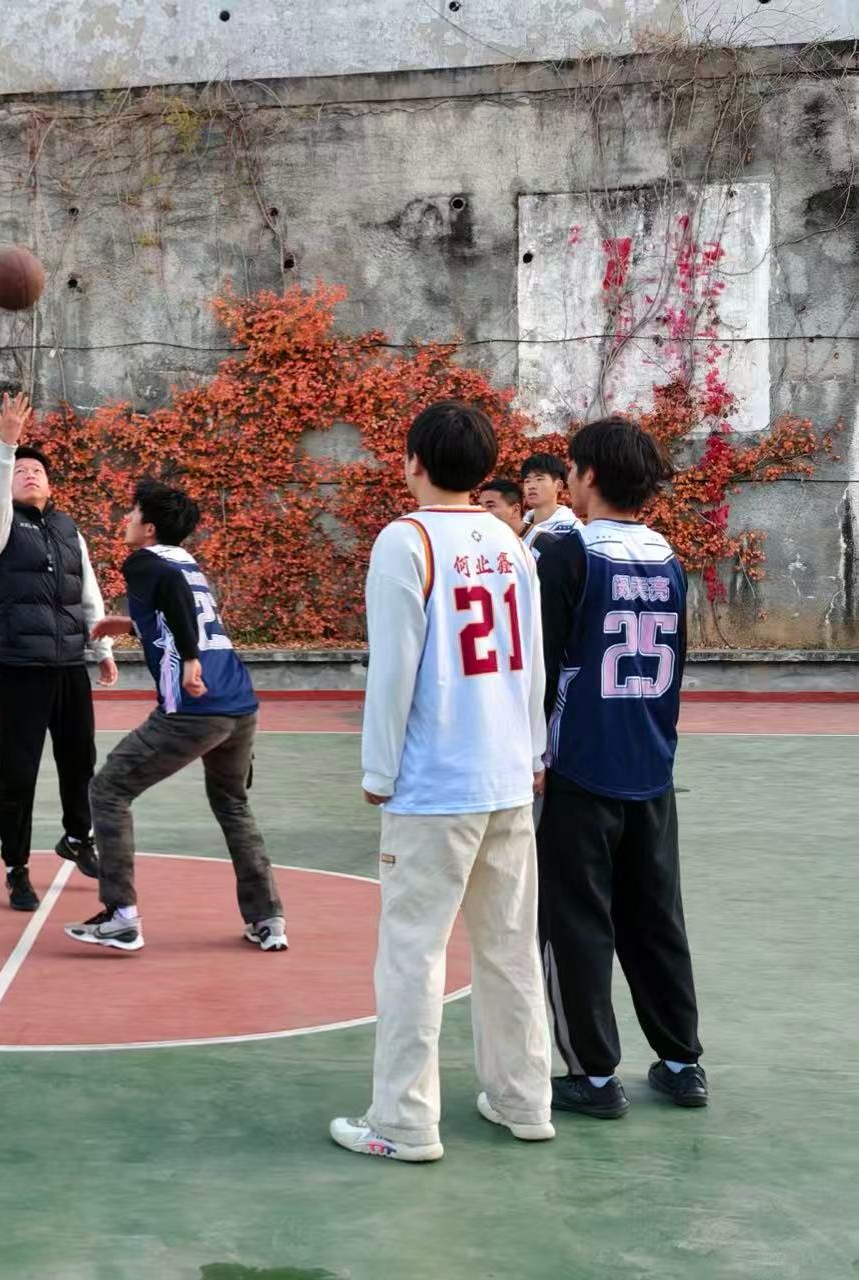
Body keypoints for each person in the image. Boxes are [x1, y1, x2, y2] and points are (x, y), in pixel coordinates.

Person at [331, 401, 554, 1163]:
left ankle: (403, 1122)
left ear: (414, 462)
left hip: (436, 783)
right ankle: (525, 1099)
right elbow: (532, 659)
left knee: (413, 955)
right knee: (509, 946)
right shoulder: (511, 539)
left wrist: (378, 767)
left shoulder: (406, 539)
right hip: (507, 776)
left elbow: (393, 668)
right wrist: (534, 753)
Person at [535, 417, 706, 1116]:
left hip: (580, 765)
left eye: (572, 469)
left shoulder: (569, 555)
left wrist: (532, 753)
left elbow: (542, 668)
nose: (567, 481)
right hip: (651, 764)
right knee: (656, 915)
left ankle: (595, 1076)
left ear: (590, 477)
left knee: (575, 922)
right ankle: (682, 1063)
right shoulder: (670, 560)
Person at [65, 480, 285, 954]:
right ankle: (267, 917)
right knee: (232, 804)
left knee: (108, 790)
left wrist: (187, 659)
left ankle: (121, 918)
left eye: (132, 513)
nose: (126, 520)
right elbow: (185, 610)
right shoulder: (185, 561)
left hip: (195, 706)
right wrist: (133, 624)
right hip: (239, 704)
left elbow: (177, 604)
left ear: (149, 528)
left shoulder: (143, 562)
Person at [0, 392, 118, 912]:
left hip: (68, 666)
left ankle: (78, 837)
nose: (30, 475)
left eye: (37, 470)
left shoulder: (67, 529)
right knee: (19, 772)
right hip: (21, 668)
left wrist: (102, 648)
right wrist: (7, 446)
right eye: (21, 471)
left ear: (51, 483)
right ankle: (15, 867)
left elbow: (88, 591)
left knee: (80, 760)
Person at [521, 452, 580, 554]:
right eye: (527, 481)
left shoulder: (573, 531)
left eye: (539, 479)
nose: (531, 486)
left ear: (559, 485)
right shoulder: (517, 529)